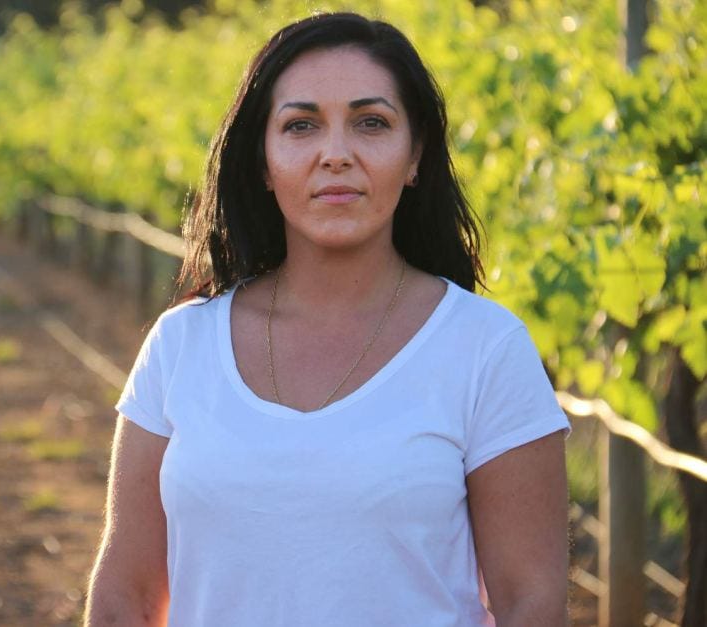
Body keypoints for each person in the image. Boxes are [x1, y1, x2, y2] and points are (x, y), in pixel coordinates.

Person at [85, 12, 571, 627]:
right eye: (300, 126)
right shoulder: (180, 344)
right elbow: (123, 597)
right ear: (262, 160)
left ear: (415, 154)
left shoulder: (486, 348)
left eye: (371, 124)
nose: (335, 155)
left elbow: (533, 603)